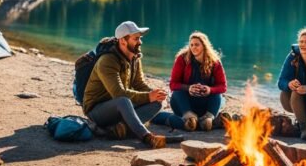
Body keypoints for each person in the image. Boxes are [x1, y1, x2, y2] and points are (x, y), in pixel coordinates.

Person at [82, 21, 183, 149]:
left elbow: (139, 84)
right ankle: (147, 137)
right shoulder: (107, 61)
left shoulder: (135, 57)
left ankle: (121, 129)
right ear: (123, 41)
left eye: (140, 38)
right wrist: (148, 96)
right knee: (123, 101)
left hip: (122, 107)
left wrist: (155, 94)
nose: (140, 42)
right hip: (97, 110)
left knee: (157, 102)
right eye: (136, 39)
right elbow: (118, 94)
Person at [167, 32, 227, 131]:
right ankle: (192, 119)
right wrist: (188, 88)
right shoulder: (182, 59)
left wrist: (209, 89)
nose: (193, 47)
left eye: (197, 44)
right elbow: (173, 84)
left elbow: (223, 86)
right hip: (185, 104)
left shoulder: (215, 62)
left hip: (205, 104)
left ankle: (207, 118)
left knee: (217, 94)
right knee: (177, 92)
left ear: (204, 45)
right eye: (191, 45)